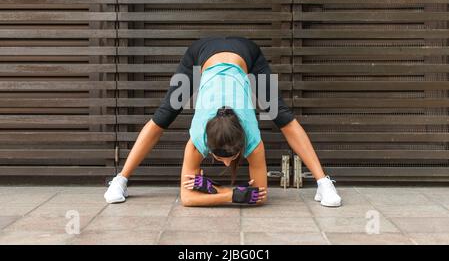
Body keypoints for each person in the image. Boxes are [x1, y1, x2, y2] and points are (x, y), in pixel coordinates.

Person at [104, 36, 341, 207]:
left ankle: (323, 182)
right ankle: (120, 179)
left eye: (231, 158)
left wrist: (213, 191)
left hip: (246, 53)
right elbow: (187, 199)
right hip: (200, 55)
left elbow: (260, 195)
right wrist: (229, 195)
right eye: (221, 158)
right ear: (209, 144)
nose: (228, 165)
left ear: (242, 141)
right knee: (163, 117)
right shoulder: (198, 138)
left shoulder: (252, 137)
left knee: (283, 117)